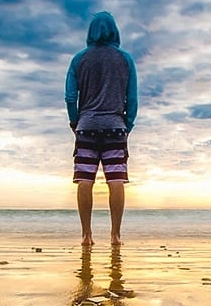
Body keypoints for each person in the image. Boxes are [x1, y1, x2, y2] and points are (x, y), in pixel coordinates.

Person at [65, 11, 138, 246]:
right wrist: (128, 124)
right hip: (115, 127)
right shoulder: (125, 59)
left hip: (86, 127)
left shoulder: (79, 59)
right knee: (116, 180)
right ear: (114, 30)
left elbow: (69, 96)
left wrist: (75, 121)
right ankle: (115, 235)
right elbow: (132, 98)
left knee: (84, 180)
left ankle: (86, 236)